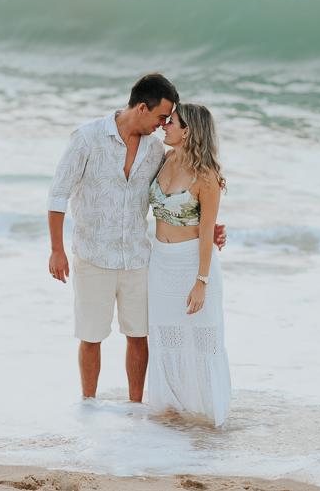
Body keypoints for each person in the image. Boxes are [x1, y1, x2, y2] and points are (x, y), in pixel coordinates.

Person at [47, 74, 225, 403]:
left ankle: (135, 408)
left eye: (169, 120)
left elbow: (181, 192)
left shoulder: (157, 150)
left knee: (139, 336)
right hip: (92, 255)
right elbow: (58, 195)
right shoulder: (87, 138)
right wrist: (56, 250)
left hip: (140, 259)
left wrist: (207, 225)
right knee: (91, 336)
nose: (163, 124)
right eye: (161, 117)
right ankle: (88, 405)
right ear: (142, 108)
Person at [147, 103, 231, 425]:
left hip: (192, 266)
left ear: (188, 131)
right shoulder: (165, 160)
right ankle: (171, 414)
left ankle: (211, 422)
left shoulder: (206, 176)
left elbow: (207, 231)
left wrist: (202, 281)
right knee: (166, 339)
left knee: (204, 342)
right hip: (161, 266)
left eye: (172, 122)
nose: (164, 126)